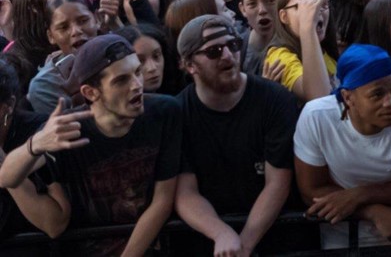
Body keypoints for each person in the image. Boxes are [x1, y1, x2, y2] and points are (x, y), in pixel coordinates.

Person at [0, 34, 181, 256]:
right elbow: (7, 177)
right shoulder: (70, 128)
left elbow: (163, 199)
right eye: (121, 80)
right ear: (90, 92)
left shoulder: (164, 113)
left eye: (137, 72)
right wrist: (36, 144)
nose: (137, 85)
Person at [293, 43, 391, 249]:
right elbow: (311, 191)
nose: (390, 102)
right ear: (347, 97)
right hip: (341, 239)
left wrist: (360, 194)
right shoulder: (316, 117)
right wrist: (373, 211)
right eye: (377, 94)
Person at [174, 14, 297, 256]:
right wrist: (221, 233)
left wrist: (244, 245)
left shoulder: (275, 99)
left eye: (233, 45)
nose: (228, 56)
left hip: (274, 236)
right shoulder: (177, 113)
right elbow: (185, 192)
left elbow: (278, 182)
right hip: (206, 239)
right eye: (214, 51)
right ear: (190, 65)